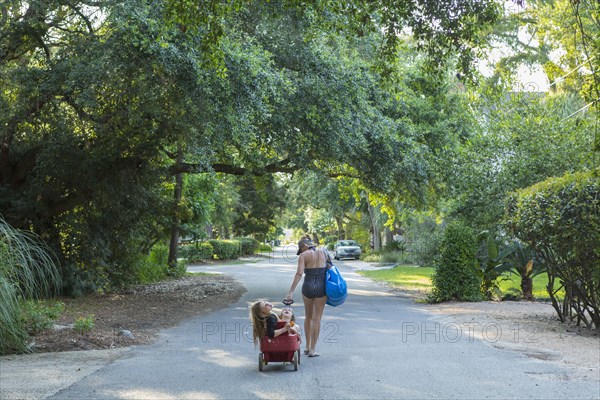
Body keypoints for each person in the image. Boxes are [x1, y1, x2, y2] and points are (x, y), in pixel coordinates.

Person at [285, 237, 330, 357]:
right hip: (322, 287)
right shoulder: (324, 252)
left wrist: (290, 292)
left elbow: (299, 273)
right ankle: (312, 350)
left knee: (308, 317)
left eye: (301, 248)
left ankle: (307, 346)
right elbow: (330, 269)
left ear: (304, 245)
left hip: (308, 287)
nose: (300, 251)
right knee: (317, 319)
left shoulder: (303, 255)